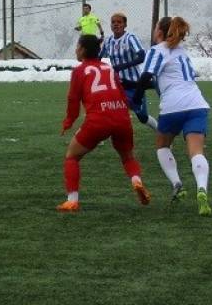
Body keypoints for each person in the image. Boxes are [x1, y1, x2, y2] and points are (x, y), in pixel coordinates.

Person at [56, 34, 151, 212]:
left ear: (83, 49)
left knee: (72, 156)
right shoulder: (109, 68)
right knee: (128, 157)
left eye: (78, 46)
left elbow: (73, 100)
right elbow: (121, 94)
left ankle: (72, 200)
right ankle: (136, 181)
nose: (76, 49)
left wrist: (68, 122)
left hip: (98, 120)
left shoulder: (79, 71)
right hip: (121, 116)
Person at [139, 16, 212, 216]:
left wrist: (136, 96)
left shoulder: (157, 50)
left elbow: (146, 76)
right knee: (196, 151)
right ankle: (202, 190)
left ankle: (177, 184)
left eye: (155, 29)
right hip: (197, 104)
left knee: (162, 146)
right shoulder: (182, 51)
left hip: (172, 107)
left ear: (160, 32)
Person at [100, 12, 157, 130]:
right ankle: (98, 135)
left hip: (134, 85)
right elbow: (97, 58)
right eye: (113, 22)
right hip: (117, 85)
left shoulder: (130, 38)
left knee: (143, 117)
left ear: (125, 24)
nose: (116, 24)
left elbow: (142, 56)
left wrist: (122, 66)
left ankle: (160, 130)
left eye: (119, 22)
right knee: (106, 108)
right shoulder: (108, 41)